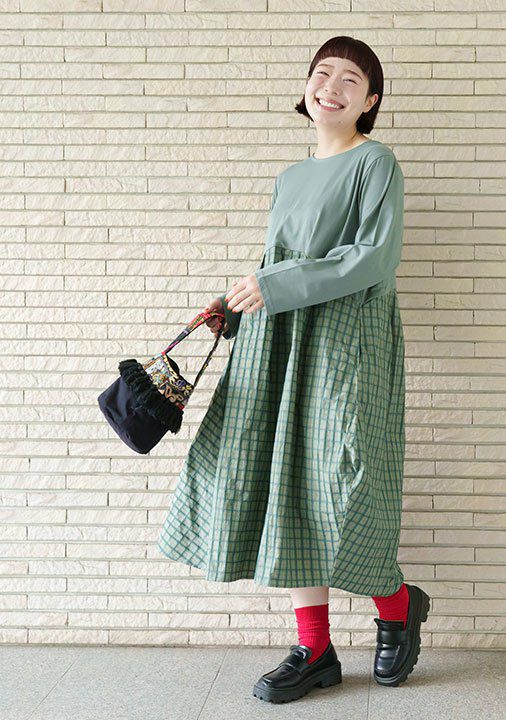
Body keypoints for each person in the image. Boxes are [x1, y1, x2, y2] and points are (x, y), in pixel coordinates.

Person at [156, 35, 430, 704]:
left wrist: (273, 287)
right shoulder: (290, 176)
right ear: (307, 87)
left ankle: (398, 604)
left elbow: (374, 257)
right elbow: (277, 260)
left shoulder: (376, 162)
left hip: (346, 341)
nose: (331, 86)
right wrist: (234, 307)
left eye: (350, 79)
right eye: (321, 73)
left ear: (370, 100)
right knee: (288, 483)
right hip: (279, 338)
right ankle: (315, 648)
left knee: (345, 481)